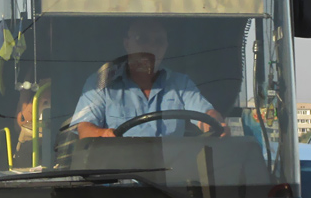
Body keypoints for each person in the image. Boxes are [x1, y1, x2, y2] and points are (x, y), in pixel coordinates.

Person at [72, 17, 225, 138]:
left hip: (172, 174)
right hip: (120, 174)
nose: (151, 47)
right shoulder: (101, 82)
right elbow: (84, 129)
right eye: (142, 39)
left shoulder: (181, 84)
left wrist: (215, 123)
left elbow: (206, 115)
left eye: (159, 41)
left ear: (166, 47)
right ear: (127, 44)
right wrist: (104, 134)